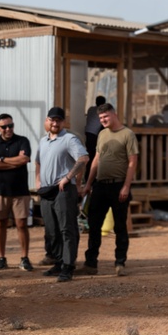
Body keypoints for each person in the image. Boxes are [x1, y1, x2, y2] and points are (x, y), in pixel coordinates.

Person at [80, 102, 138, 276]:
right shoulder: (102, 134)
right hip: (100, 185)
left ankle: (120, 262)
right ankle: (90, 264)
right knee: (94, 225)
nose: (103, 120)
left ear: (114, 114)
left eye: (105, 116)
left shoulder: (128, 134)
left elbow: (132, 162)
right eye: (100, 118)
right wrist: (88, 183)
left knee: (120, 227)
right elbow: (96, 160)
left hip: (119, 185)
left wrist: (126, 186)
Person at [34, 107, 88, 283]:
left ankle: (68, 266)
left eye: (58, 120)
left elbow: (83, 158)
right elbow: (38, 162)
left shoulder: (69, 139)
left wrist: (68, 177)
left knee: (66, 229)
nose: (55, 123)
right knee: (52, 230)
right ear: (47, 120)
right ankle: (58, 262)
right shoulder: (43, 141)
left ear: (63, 122)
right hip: (46, 190)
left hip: (63, 190)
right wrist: (37, 180)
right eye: (52, 120)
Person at [0, 113, 34, 271]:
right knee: (0, 224)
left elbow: (24, 159)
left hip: (20, 190)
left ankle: (24, 258)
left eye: (10, 126)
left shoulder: (22, 141)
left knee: (22, 224)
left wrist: (2, 159)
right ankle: (1, 258)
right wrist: (14, 162)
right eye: (4, 127)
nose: (8, 129)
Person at [84, 95, 106, 178]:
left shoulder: (91, 109)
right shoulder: (101, 111)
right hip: (94, 135)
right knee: (94, 156)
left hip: (88, 133)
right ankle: (91, 176)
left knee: (90, 154)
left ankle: (88, 176)